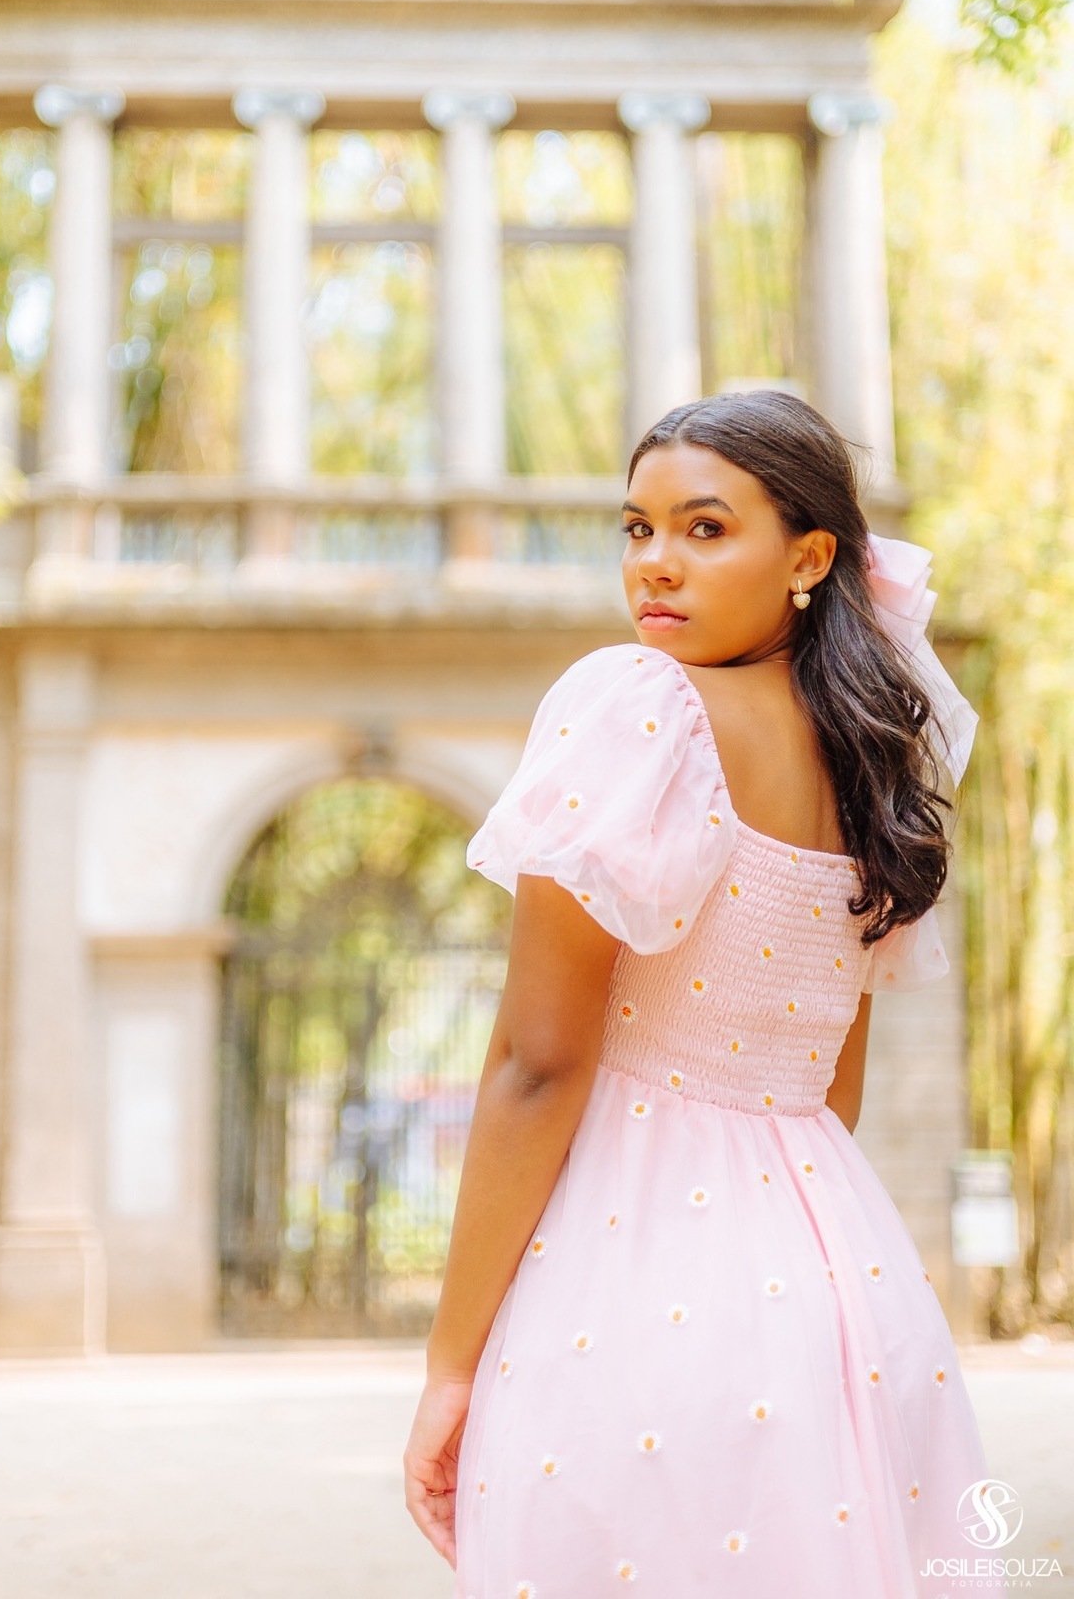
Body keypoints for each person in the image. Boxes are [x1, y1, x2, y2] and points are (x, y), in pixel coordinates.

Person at [403, 389, 1000, 1597]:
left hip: (631, 1293)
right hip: (849, 1301)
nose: (655, 567)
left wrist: (450, 1366)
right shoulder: (870, 759)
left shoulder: (638, 710)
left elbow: (539, 1060)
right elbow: (833, 1085)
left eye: (705, 529)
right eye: (636, 529)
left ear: (810, 556)